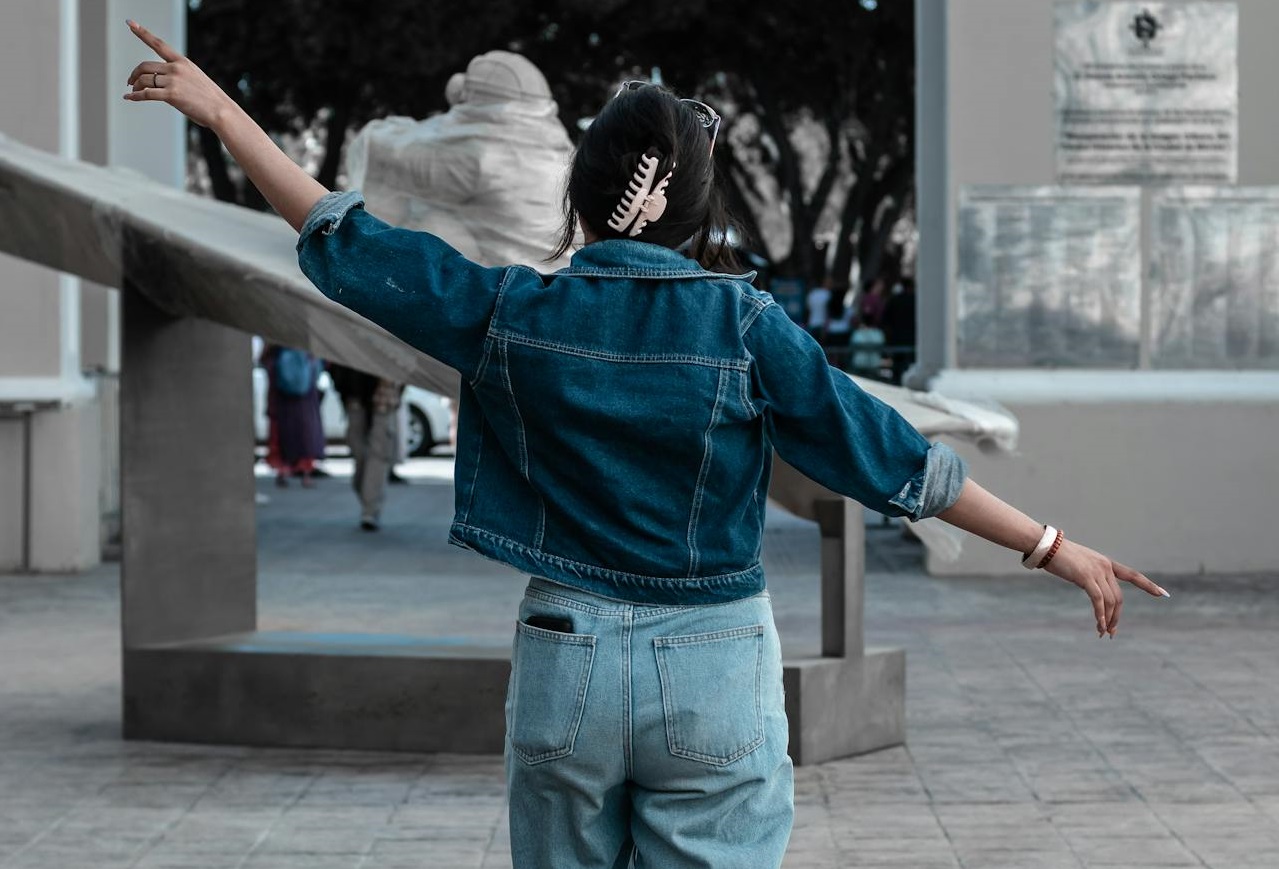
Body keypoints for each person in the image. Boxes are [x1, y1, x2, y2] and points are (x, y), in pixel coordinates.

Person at [124, 22, 1171, 868]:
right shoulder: (746, 327)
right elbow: (892, 459)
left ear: (580, 194)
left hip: (564, 651)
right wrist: (1052, 546)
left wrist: (219, 111)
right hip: (713, 659)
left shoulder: (508, 310)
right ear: (695, 208)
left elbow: (344, 240)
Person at [328, 363, 402, 530]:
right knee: (361, 453)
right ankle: (369, 501)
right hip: (355, 391)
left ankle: (370, 508)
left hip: (383, 392)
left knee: (377, 453)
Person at [259, 343, 324, 488]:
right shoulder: (308, 350)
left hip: (282, 402)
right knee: (305, 435)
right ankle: (304, 473)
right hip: (304, 403)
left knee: (283, 436)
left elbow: (264, 361)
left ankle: (283, 471)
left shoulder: (276, 351)